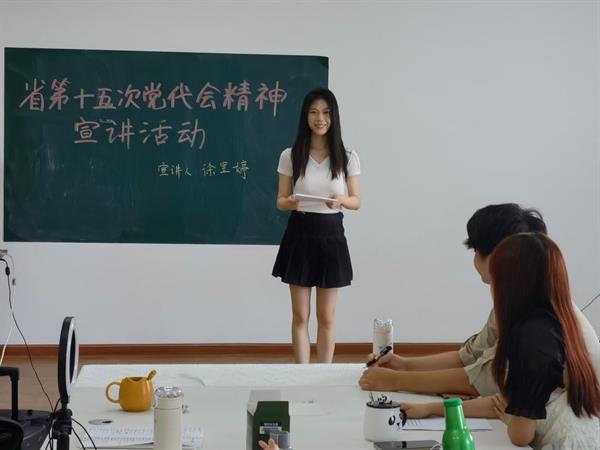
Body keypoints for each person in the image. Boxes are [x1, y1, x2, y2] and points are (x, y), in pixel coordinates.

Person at [359, 204, 600, 395]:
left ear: (500, 256)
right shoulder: (519, 297)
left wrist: (398, 381)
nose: (474, 258)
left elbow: (485, 380)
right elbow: (471, 356)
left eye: (475, 250)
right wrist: (404, 365)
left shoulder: (536, 319)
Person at [400, 233, 600, 449]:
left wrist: (510, 420)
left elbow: (520, 435)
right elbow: (501, 403)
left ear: (510, 284)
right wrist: (430, 409)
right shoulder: (556, 321)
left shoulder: (533, 339)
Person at [272, 88, 361, 363]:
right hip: (300, 233)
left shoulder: (347, 156)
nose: (319, 118)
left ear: (333, 117)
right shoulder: (291, 155)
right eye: (313, 112)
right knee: (300, 316)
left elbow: (356, 201)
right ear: (305, 116)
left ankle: (324, 375)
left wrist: (341, 200)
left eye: (325, 112)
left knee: (327, 317)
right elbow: (280, 201)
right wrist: (290, 202)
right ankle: (302, 375)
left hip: (331, 234)